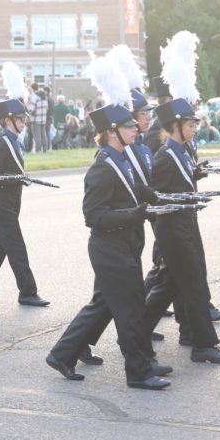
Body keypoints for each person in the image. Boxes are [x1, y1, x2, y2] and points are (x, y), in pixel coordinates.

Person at [45, 55, 169, 389]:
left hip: (124, 243)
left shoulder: (122, 158)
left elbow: (134, 190)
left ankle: (62, 354)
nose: (135, 129)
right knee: (129, 311)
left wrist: (156, 198)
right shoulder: (102, 166)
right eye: (129, 126)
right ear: (112, 132)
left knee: (112, 305)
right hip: (108, 246)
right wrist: (138, 213)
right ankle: (138, 372)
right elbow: (94, 216)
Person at [143, 82, 220, 365]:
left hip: (186, 225)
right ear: (175, 125)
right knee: (194, 285)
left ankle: (134, 332)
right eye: (191, 123)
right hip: (173, 230)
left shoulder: (180, 152)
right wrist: (172, 206)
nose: (196, 127)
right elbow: (151, 197)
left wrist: (196, 175)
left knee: (169, 287)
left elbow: (180, 183)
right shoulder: (164, 156)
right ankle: (203, 346)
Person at [0, 62, 51, 308]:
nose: (25, 121)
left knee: (1, 245)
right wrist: (15, 177)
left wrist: (20, 175)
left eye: (24, 117)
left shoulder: (15, 140)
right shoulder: (0, 142)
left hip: (12, 198)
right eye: (20, 118)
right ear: (7, 120)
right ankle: (28, 291)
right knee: (15, 246)